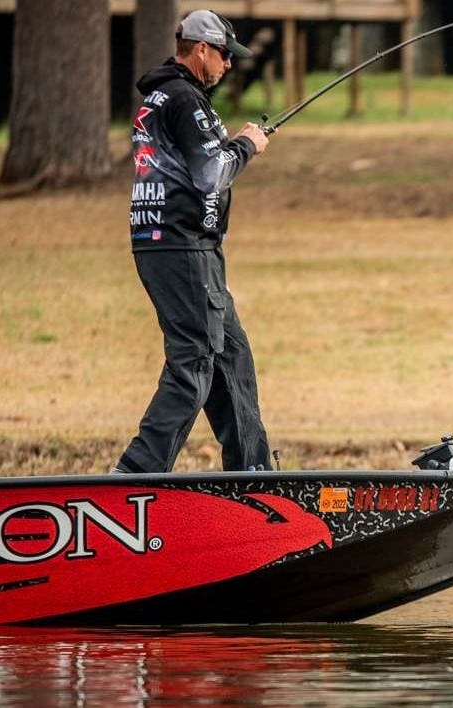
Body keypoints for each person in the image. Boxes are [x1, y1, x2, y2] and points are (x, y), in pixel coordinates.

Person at [114, 10, 273, 474]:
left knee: (231, 357)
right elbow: (211, 174)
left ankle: (252, 473)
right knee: (194, 363)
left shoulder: (162, 97)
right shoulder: (184, 99)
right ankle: (136, 474)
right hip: (181, 247)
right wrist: (247, 145)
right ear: (200, 49)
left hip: (176, 245)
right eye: (224, 54)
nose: (228, 64)